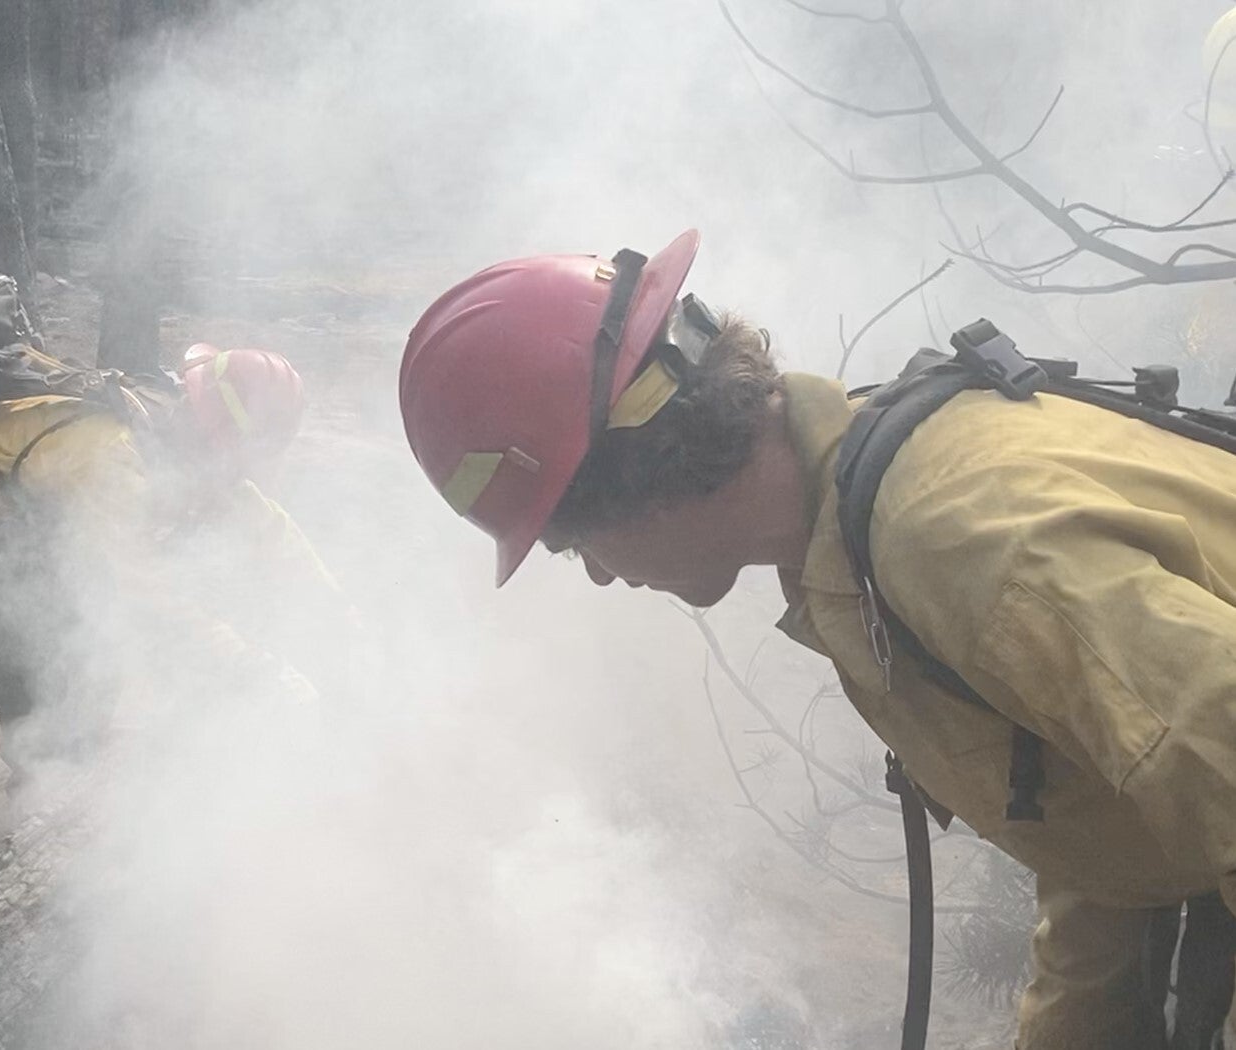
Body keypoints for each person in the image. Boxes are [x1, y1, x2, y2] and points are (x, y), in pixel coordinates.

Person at [397, 230, 1236, 1049]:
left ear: (633, 481)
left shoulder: (949, 547)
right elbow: (1109, 803)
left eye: (570, 540)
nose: (599, 576)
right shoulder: (858, 534)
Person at [0, 341, 351, 769]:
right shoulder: (112, 457)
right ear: (216, 435)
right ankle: (42, 790)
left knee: (85, 624)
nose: (236, 471)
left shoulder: (177, 428)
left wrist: (345, 623)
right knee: (43, 632)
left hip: (16, 507)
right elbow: (139, 594)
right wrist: (255, 669)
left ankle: (73, 753)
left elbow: (269, 529)